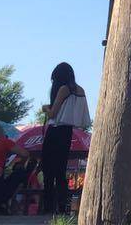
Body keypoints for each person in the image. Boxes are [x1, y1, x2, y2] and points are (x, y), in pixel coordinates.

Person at [41, 62, 89, 215]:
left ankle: (48, 206)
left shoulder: (63, 89)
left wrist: (45, 108)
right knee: (61, 170)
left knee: (48, 170)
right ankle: (62, 205)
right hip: (67, 132)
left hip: (55, 130)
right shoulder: (79, 90)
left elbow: (53, 114)